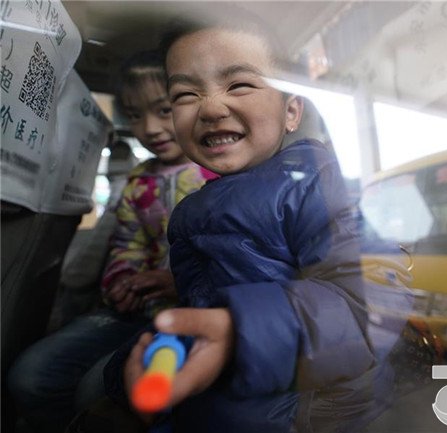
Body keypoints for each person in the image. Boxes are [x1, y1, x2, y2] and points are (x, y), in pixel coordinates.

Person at [103, 10, 411, 433]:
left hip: (311, 412)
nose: (211, 107)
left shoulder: (315, 181)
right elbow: (201, 307)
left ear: (291, 112)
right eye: (186, 95)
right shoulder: (193, 208)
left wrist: (240, 332)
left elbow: (372, 299)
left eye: (239, 85)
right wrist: (162, 350)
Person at [7, 50, 215, 433]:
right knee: (30, 375)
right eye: (135, 115)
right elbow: (128, 243)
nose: (150, 128)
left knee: (97, 389)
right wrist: (123, 281)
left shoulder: (214, 174)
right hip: (135, 312)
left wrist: (179, 282)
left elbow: (228, 257)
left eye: (164, 110)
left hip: (192, 314)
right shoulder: (139, 181)